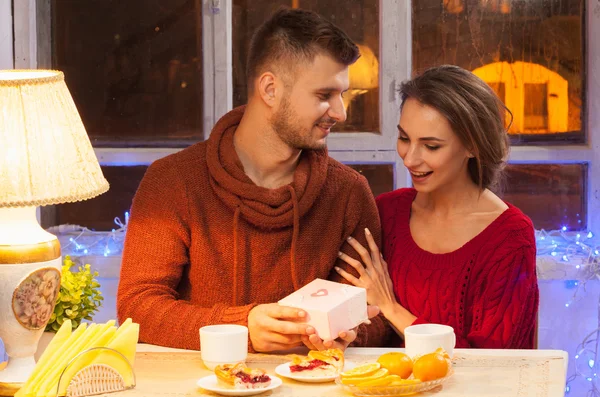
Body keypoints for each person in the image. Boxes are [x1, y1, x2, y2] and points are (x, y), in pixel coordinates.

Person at [117, 8, 392, 352]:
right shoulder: (172, 181)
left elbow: (377, 316)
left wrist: (350, 333)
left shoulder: (349, 192)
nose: (341, 113)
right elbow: (136, 309)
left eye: (343, 94)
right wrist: (242, 327)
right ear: (270, 89)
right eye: (324, 96)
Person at [335, 65, 539, 349]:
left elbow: (494, 363)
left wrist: (390, 306)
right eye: (405, 139)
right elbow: (362, 318)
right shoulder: (386, 212)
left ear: (473, 146)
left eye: (431, 146)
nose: (410, 159)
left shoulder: (510, 238)